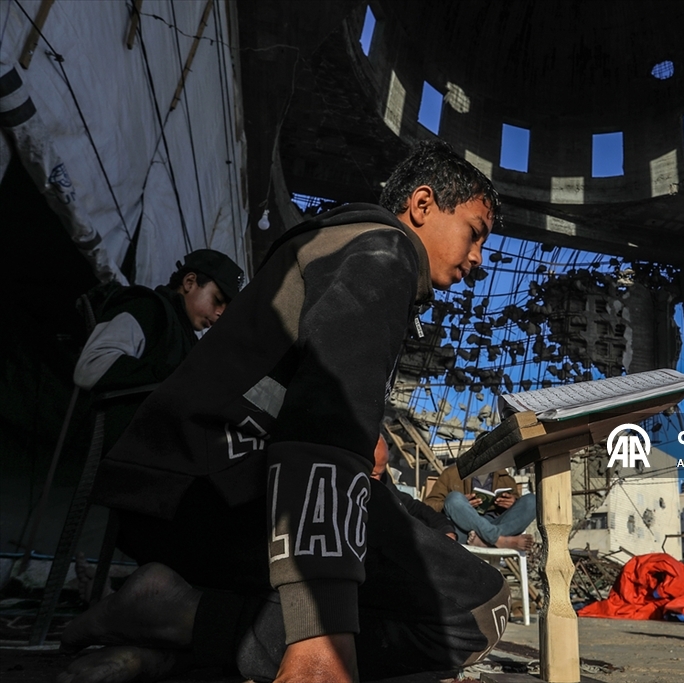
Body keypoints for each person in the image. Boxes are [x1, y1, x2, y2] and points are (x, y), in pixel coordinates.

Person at [59, 141, 510, 683]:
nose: (479, 258)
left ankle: (178, 634)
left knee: (407, 561)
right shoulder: (384, 251)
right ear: (422, 204)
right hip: (217, 496)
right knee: (477, 610)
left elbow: (320, 415)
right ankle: (181, 617)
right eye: (475, 233)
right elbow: (324, 431)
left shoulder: (336, 245)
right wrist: (322, 630)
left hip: (176, 496)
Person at [71, 250, 242, 599]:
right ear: (190, 282)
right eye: (218, 300)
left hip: (168, 464)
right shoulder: (147, 308)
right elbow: (91, 367)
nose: (220, 313)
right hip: (139, 464)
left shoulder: (186, 338)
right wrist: (176, 382)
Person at [424, 463, 536, 551]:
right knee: (454, 498)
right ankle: (496, 539)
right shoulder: (452, 473)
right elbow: (428, 505)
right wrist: (462, 504)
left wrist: (512, 503)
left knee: (532, 501)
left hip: (497, 524)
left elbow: (517, 513)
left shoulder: (506, 478)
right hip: (464, 529)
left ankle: (483, 541)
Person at [371, 435, 456, 539]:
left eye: (381, 473)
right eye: (373, 474)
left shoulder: (382, 482)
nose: (377, 479)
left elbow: (411, 506)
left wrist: (445, 528)